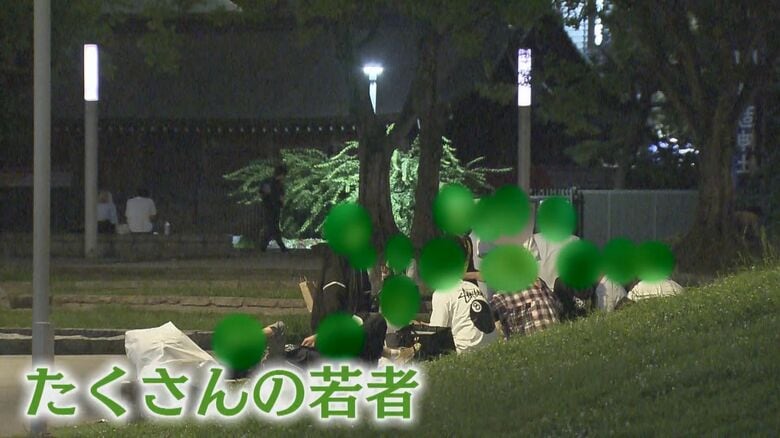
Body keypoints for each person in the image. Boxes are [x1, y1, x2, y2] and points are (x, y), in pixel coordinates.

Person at [301, 245, 386, 364]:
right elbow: (333, 301)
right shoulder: (337, 257)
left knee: (374, 323)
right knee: (376, 322)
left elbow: (364, 304)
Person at [424, 237, 497, 354]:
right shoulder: (473, 287)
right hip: (493, 349)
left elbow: (435, 333)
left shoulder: (442, 292)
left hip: (467, 354)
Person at [490, 278, 560, 339]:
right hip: (555, 340)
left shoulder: (503, 295)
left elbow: (486, 319)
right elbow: (558, 307)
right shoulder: (541, 284)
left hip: (530, 345)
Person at [259, 165, 288, 252]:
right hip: (274, 208)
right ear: (282, 174)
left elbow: (262, 193)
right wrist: (282, 204)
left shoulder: (267, 182)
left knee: (272, 227)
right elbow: (281, 198)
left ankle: (265, 246)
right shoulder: (279, 185)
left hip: (268, 207)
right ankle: (280, 247)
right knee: (273, 227)